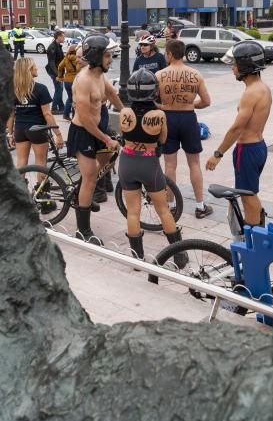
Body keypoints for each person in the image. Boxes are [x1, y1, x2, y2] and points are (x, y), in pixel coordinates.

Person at [118, 68, 187, 266]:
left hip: (127, 162)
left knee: (133, 211)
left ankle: (138, 257)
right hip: (149, 163)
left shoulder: (124, 112)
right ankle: (179, 255)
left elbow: (124, 135)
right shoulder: (159, 114)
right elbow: (163, 138)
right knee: (163, 210)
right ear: (153, 91)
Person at [205, 41, 272, 227]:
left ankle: (254, 237)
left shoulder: (251, 93)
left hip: (248, 149)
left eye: (235, 64)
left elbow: (236, 129)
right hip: (259, 146)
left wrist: (217, 154)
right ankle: (258, 229)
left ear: (246, 65)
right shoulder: (263, 88)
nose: (232, 68)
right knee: (249, 192)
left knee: (246, 195)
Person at [67, 34, 122, 242]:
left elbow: (113, 95)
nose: (111, 59)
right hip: (83, 131)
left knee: (107, 159)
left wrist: (128, 115)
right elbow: (85, 118)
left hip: (96, 128)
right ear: (97, 56)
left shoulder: (100, 75)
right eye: (108, 56)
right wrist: (107, 138)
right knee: (91, 178)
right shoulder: (83, 81)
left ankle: (82, 191)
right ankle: (83, 231)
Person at [156, 39, 213, 218]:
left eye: (166, 53)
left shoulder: (159, 75)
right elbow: (206, 101)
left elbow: (152, 101)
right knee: (194, 163)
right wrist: (190, 104)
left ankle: (171, 205)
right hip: (188, 118)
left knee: (170, 164)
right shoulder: (195, 74)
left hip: (169, 119)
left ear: (171, 54)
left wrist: (163, 107)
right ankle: (200, 205)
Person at [7, 58, 65, 214]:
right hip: (37, 129)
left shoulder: (13, 89)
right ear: (28, 70)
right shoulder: (40, 89)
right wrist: (58, 134)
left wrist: (10, 133)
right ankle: (43, 200)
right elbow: (47, 113)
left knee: (21, 162)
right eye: (34, 67)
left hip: (20, 129)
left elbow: (11, 115)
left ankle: (20, 199)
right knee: (41, 162)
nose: (37, 69)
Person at [57, 44, 79, 121]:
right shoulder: (77, 59)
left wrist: (60, 76)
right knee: (75, 100)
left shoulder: (66, 58)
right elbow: (79, 69)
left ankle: (66, 114)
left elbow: (60, 66)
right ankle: (74, 117)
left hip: (67, 81)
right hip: (75, 81)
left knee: (70, 98)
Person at [46, 30, 65, 114]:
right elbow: (51, 62)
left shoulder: (57, 46)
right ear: (58, 37)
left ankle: (62, 107)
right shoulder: (52, 47)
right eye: (63, 36)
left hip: (59, 71)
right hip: (54, 72)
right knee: (59, 89)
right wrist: (57, 74)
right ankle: (54, 108)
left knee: (59, 89)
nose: (64, 38)